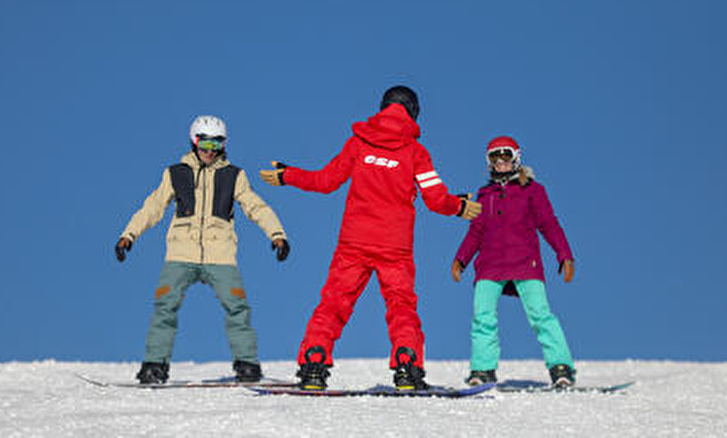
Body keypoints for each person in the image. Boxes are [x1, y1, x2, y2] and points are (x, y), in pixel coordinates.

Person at [260, 86, 482, 391]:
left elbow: (325, 181)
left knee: (333, 304)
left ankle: (313, 363)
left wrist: (289, 175)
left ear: (382, 107)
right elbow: (435, 198)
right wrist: (458, 206)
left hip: (354, 242)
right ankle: (407, 368)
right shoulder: (415, 152)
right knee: (401, 307)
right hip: (395, 246)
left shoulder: (359, 144)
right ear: (414, 112)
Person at [115, 115, 290, 384]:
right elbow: (153, 207)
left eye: (217, 144)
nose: (210, 151)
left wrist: (277, 235)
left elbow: (256, 207)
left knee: (237, 308)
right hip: (180, 254)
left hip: (220, 255)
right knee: (165, 306)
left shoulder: (234, 176)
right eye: (205, 143)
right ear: (194, 141)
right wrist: (129, 235)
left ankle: (247, 365)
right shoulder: (175, 173)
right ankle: (154, 365)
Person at [451, 135, 576, 387]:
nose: (500, 162)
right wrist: (461, 259)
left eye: (505, 156)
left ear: (516, 158)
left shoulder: (532, 190)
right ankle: (483, 369)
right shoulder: (485, 196)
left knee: (541, 315)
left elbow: (548, 224)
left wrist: (564, 254)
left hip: (524, 263)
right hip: (489, 265)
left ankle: (561, 367)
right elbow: (475, 232)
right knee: (482, 317)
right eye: (494, 157)